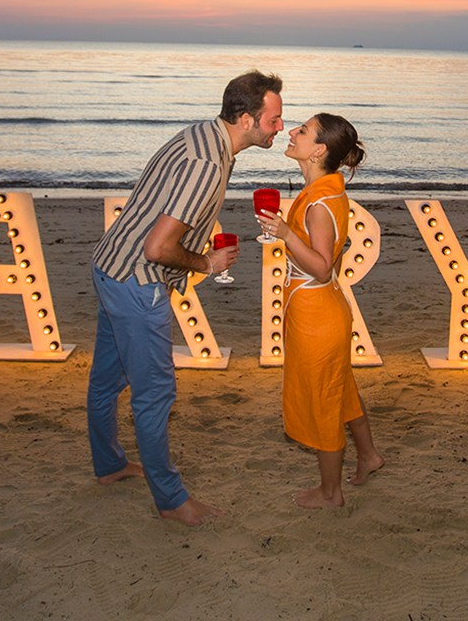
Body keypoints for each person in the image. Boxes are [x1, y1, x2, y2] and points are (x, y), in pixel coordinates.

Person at [88, 70, 283, 526]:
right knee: (155, 394)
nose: (279, 127)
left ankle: (110, 466)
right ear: (244, 117)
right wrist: (206, 263)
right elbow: (158, 248)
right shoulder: (208, 164)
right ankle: (171, 500)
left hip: (109, 266)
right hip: (137, 283)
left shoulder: (202, 135)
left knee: (106, 382)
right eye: (273, 119)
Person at [255, 112, 384, 509]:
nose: (291, 132)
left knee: (324, 401)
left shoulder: (319, 204)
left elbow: (322, 264)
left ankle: (330, 493)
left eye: (303, 131)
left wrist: (285, 233)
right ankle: (369, 456)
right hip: (320, 307)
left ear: (320, 150)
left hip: (317, 315)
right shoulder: (325, 192)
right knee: (340, 387)